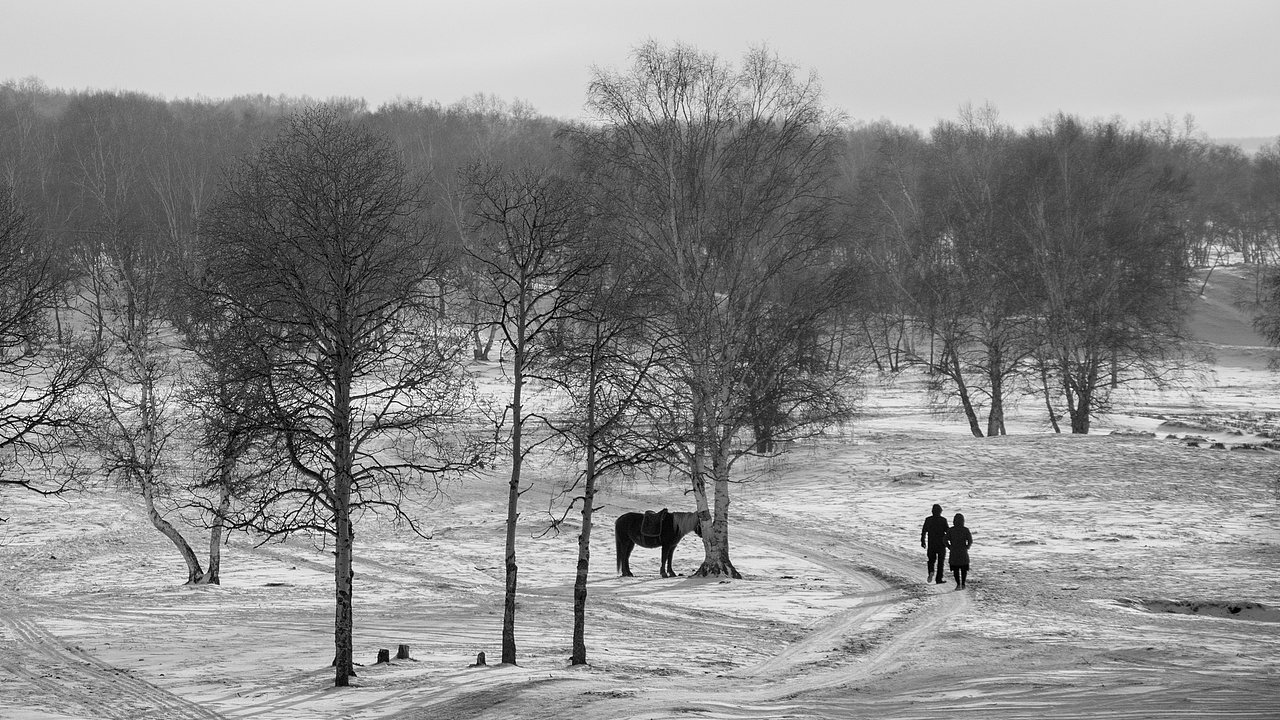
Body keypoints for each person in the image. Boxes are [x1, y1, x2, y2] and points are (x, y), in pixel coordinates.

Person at [920, 504, 949, 584]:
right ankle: (938, 579)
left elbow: (924, 531)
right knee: (941, 561)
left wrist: (923, 540)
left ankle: (931, 571)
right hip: (941, 543)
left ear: (932, 511)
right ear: (940, 511)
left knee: (931, 560)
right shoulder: (943, 520)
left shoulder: (928, 520)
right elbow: (948, 531)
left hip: (931, 543)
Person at [948, 513, 973, 589]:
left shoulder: (951, 530)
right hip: (963, 551)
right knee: (964, 569)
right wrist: (967, 546)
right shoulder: (965, 530)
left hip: (954, 551)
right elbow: (970, 540)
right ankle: (963, 584)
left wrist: (949, 547)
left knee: (955, 569)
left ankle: (958, 584)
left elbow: (945, 540)